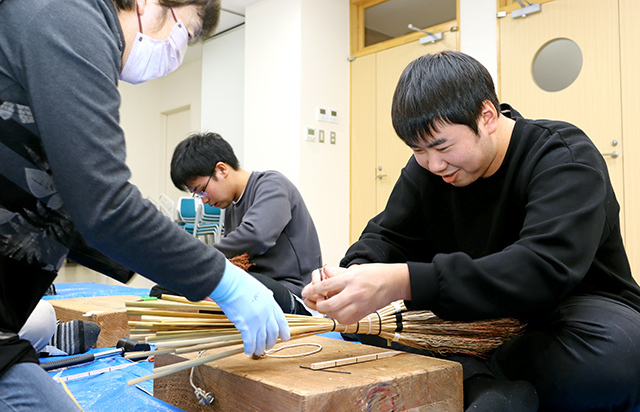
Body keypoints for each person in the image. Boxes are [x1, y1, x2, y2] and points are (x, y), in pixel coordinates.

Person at [302, 51, 640, 412]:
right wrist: (353, 274)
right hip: (474, 317)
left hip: (567, 312)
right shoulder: (429, 170)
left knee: (616, 359)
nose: (434, 164)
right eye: (418, 151)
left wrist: (403, 281)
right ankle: (488, 386)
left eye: (442, 146)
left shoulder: (562, 155)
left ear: (487, 116)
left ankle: (474, 377)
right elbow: (388, 235)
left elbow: (542, 268)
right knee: (370, 330)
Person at [0, 0, 289, 409]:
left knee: (41, 325)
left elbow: (80, 202)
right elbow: (104, 204)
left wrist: (166, 260)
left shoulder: (270, 185)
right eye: (184, 34)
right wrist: (221, 278)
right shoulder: (68, 17)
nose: (177, 52)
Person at [155, 131, 322, 315]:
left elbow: (256, 236)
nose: (203, 200)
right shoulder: (231, 207)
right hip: (256, 286)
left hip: (295, 294)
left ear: (221, 169)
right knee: (163, 289)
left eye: (201, 190)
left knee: (230, 288)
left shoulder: (272, 184)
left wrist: (198, 257)